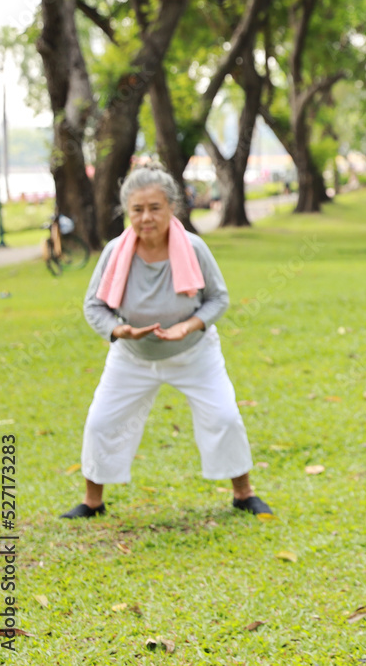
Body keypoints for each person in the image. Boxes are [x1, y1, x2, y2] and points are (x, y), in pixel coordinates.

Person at [61, 166, 272, 519]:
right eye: (137, 209)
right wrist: (119, 331)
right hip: (131, 356)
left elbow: (218, 299)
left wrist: (187, 327)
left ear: (172, 207)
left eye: (155, 208)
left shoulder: (194, 247)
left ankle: (243, 494)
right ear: (127, 212)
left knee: (225, 418)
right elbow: (94, 306)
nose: (146, 217)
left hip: (193, 353)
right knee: (101, 422)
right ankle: (92, 502)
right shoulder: (114, 252)